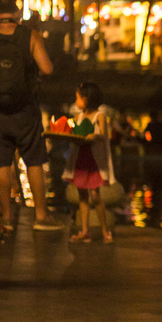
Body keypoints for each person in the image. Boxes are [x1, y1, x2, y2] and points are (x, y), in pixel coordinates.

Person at [0, 0, 63, 234]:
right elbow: (46, 68)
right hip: (26, 111)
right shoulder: (30, 35)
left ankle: (6, 216)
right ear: (16, 9)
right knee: (34, 160)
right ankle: (41, 215)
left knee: (0, 162)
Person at [63, 81, 115, 243]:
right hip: (80, 161)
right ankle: (84, 231)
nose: (76, 101)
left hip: (93, 163)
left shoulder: (99, 116)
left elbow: (104, 134)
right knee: (82, 197)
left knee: (95, 196)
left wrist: (95, 135)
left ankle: (105, 231)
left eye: (78, 98)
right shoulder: (78, 117)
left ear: (86, 99)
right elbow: (74, 134)